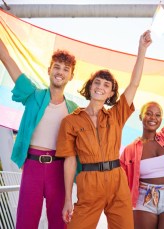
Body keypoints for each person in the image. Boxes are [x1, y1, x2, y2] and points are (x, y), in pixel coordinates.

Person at [55, 30, 152, 229]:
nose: (100, 87)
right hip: (89, 183)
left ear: (111, 93)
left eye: (106, 85)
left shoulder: (117, 115)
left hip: (117, 180)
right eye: (97, 82)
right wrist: (67, 199)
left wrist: (141, 49)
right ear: (90, 87)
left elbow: (134, 84)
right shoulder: (70, 122)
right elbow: (70, 160)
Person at [0, 39, 77, 229]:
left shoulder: (74, 110)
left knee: (59, 224)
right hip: (32, 167)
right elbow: (6, 58)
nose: (60, 72)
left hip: (59, 171)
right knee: (25, 223)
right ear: (49, 70)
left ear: (71, 76)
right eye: (57, 67)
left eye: (66, 69)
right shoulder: (33, 95)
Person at [120, 63, 164, 229]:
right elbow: (122, 182)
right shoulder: (130, 150)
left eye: (158, 115)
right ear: (141, 116)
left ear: (161, 119)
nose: (153, 117)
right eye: (149, 113)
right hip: (144, 198)